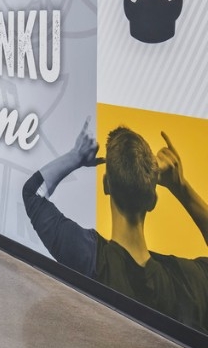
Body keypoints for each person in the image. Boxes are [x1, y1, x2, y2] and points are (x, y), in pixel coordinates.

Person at [23, 123, 208, 334]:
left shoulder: (89, 259)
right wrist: (181, 187)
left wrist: (76, 156)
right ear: (153, 201)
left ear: (106, 185)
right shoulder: (187, 284)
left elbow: (32, 193)